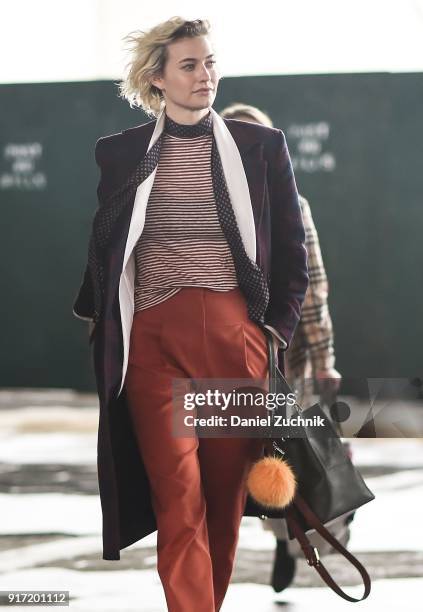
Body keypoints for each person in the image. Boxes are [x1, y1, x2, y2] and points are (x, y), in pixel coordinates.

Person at [72, 18, 308, 612]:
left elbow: (291, 252)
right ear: (157, 77)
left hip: (236, 342)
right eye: (189, 65)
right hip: (153, 344)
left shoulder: (260, 147)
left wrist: (271, 332)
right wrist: (98, 315)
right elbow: (107, 246)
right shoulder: (120, 154)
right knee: (178, 499)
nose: (206, 76)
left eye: (209, 63)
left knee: (225, 501)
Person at [221, 103, 342, 593]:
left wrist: (326, 359)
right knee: (244, 463)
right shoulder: (203, 200)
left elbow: (313, 288)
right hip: (226, 362)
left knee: (286, 457)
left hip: (281, 362)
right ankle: (276, 539)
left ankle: (289, 540)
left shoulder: (294, 202)